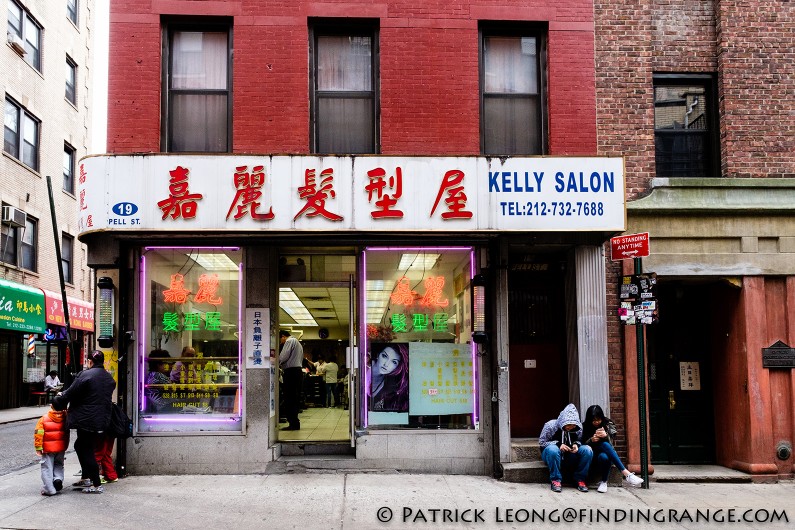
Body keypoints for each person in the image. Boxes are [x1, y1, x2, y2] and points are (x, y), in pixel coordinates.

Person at [52, 350, 116, 494]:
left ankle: (96, 484)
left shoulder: (85, 375)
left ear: (90, 362)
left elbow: (70, 393)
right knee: (81, 446)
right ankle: (86, 477)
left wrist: (58, 400)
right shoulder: (108, 377)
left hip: (86, 420)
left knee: (85, 449)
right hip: (102, 419)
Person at [582, 404, 644, 492]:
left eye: (598, 419)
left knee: (605, 455)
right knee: (605, 445)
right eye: (594, 420)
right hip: (591, 456)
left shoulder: (608, 423)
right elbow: (581, 444)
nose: (596, 422)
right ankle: (627, 474)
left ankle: (604, 482)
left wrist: (606, 436)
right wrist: (591, 440)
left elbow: (613, 439)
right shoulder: (584, 426)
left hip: (605, 455)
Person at [539, 403, 593, 493]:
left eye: (573, 425)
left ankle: (580, 479)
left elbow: (580, 440)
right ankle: (556, 480)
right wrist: (558, 444)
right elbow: (542, 442)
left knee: (587, 450)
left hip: (570, 455)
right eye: (569, 424)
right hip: (551, 454)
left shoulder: (578, 428)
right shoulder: (550, 425)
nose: (571, 427)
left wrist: (576, 444)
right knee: (553, 449)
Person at [33, 403, 69, 496]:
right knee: (59, 464)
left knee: (47, 468)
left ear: (51, 406)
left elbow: (38, 433)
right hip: (61, 447)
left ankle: (49, 489)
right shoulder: (66, 417)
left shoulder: (44, 418)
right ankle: (58, 479)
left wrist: (38, 447)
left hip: (48, 449)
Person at [369, 344, 409, 412]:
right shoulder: (364, 370)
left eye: (394, 362)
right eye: (384, 356)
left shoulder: (390, 384)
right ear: (378, 354)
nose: (386, 364)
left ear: (397, 367)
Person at [279, 330, 303, 430]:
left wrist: (275, 362)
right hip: (297, 371)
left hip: (291, 372)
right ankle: (295, 422)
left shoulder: (289, 341)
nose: (280, 342)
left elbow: (283, 356)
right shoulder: (297, 342)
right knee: (294, 398)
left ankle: (293, 423)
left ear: (283, 336)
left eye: (280, 339)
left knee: (289, 398)